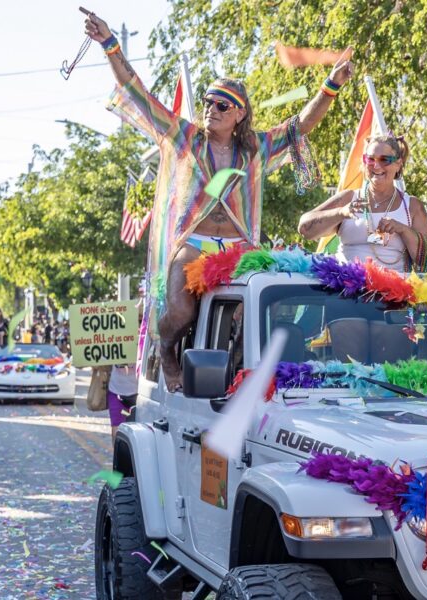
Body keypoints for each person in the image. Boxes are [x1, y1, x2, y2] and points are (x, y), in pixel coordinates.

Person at [84, 10, 352, 391]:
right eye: (209, 101)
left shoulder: (256, 148)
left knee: (254, 311)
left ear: (239, 114)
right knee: (179, 309)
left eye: (222, 105)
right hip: (194, 242)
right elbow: (137, 93)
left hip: (239, 244)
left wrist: (331, 84)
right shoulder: (186, 138)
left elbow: (301, 125)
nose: (212, 108)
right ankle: (170, 352)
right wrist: (110, 44)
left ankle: (237, 372)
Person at [298, 135, 427, 272]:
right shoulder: (349, 197)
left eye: (385, 160)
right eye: (370, 159)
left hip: (393, 292)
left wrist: (403, 230)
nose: (376, 166)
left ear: (398, 164)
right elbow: (305, 229)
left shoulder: (411, 206)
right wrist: (341, 212)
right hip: (346, 290)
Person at [107, 363, 139, 445]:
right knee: (117, 429)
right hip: (117, 392)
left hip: (139, 394)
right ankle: (117, 456)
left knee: (139, 431)